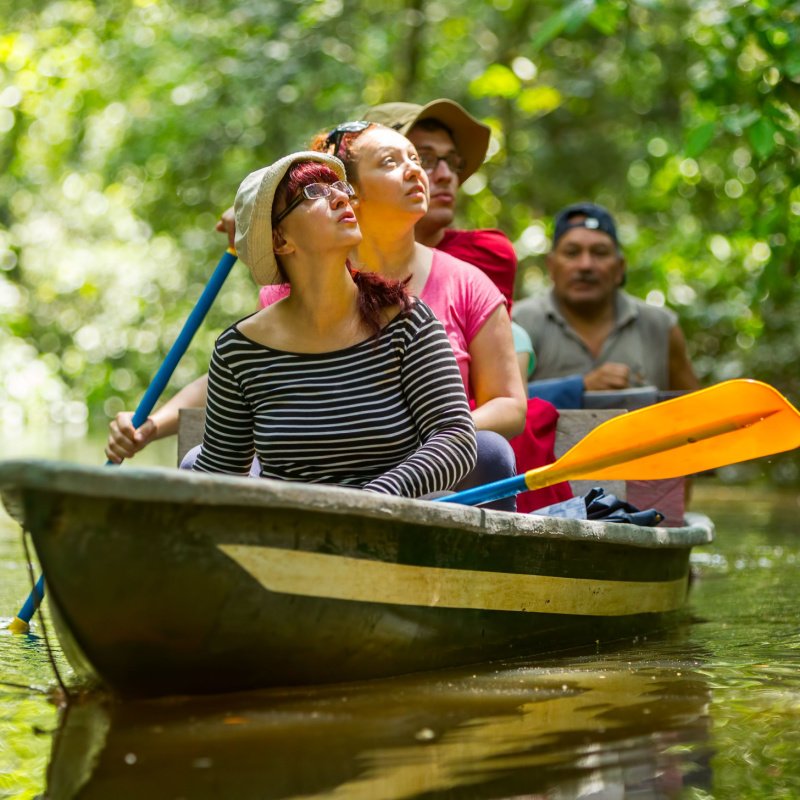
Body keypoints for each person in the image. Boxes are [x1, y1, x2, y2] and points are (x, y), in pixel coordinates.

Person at [260, 121, 527, 510]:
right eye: (390, 162)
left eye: (414, 159)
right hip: (315, 466)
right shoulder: (290, 289)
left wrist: (427, 438)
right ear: (348, 191)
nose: (416, 171)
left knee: (489, 451)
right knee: (199, 462)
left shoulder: (469, 283)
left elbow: (509, 404)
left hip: (426, 465)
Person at [190, 151, 477, 497]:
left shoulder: (407, 320)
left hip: (399, 532)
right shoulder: (239, 351)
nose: (341, 196)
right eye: (313, 193)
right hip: (292, 537)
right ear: (280, 240)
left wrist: (372, 500)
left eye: (338, 186)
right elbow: (220, 475)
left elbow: (455, 437)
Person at [513, 202, 700, 407]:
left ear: (620, 268)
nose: (586, 265)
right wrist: (579, 387)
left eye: (600, 253)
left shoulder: (660, 327)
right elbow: (496, 402)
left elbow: (696, 410)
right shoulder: (519, 323)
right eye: (572, 253)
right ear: (551, 266)